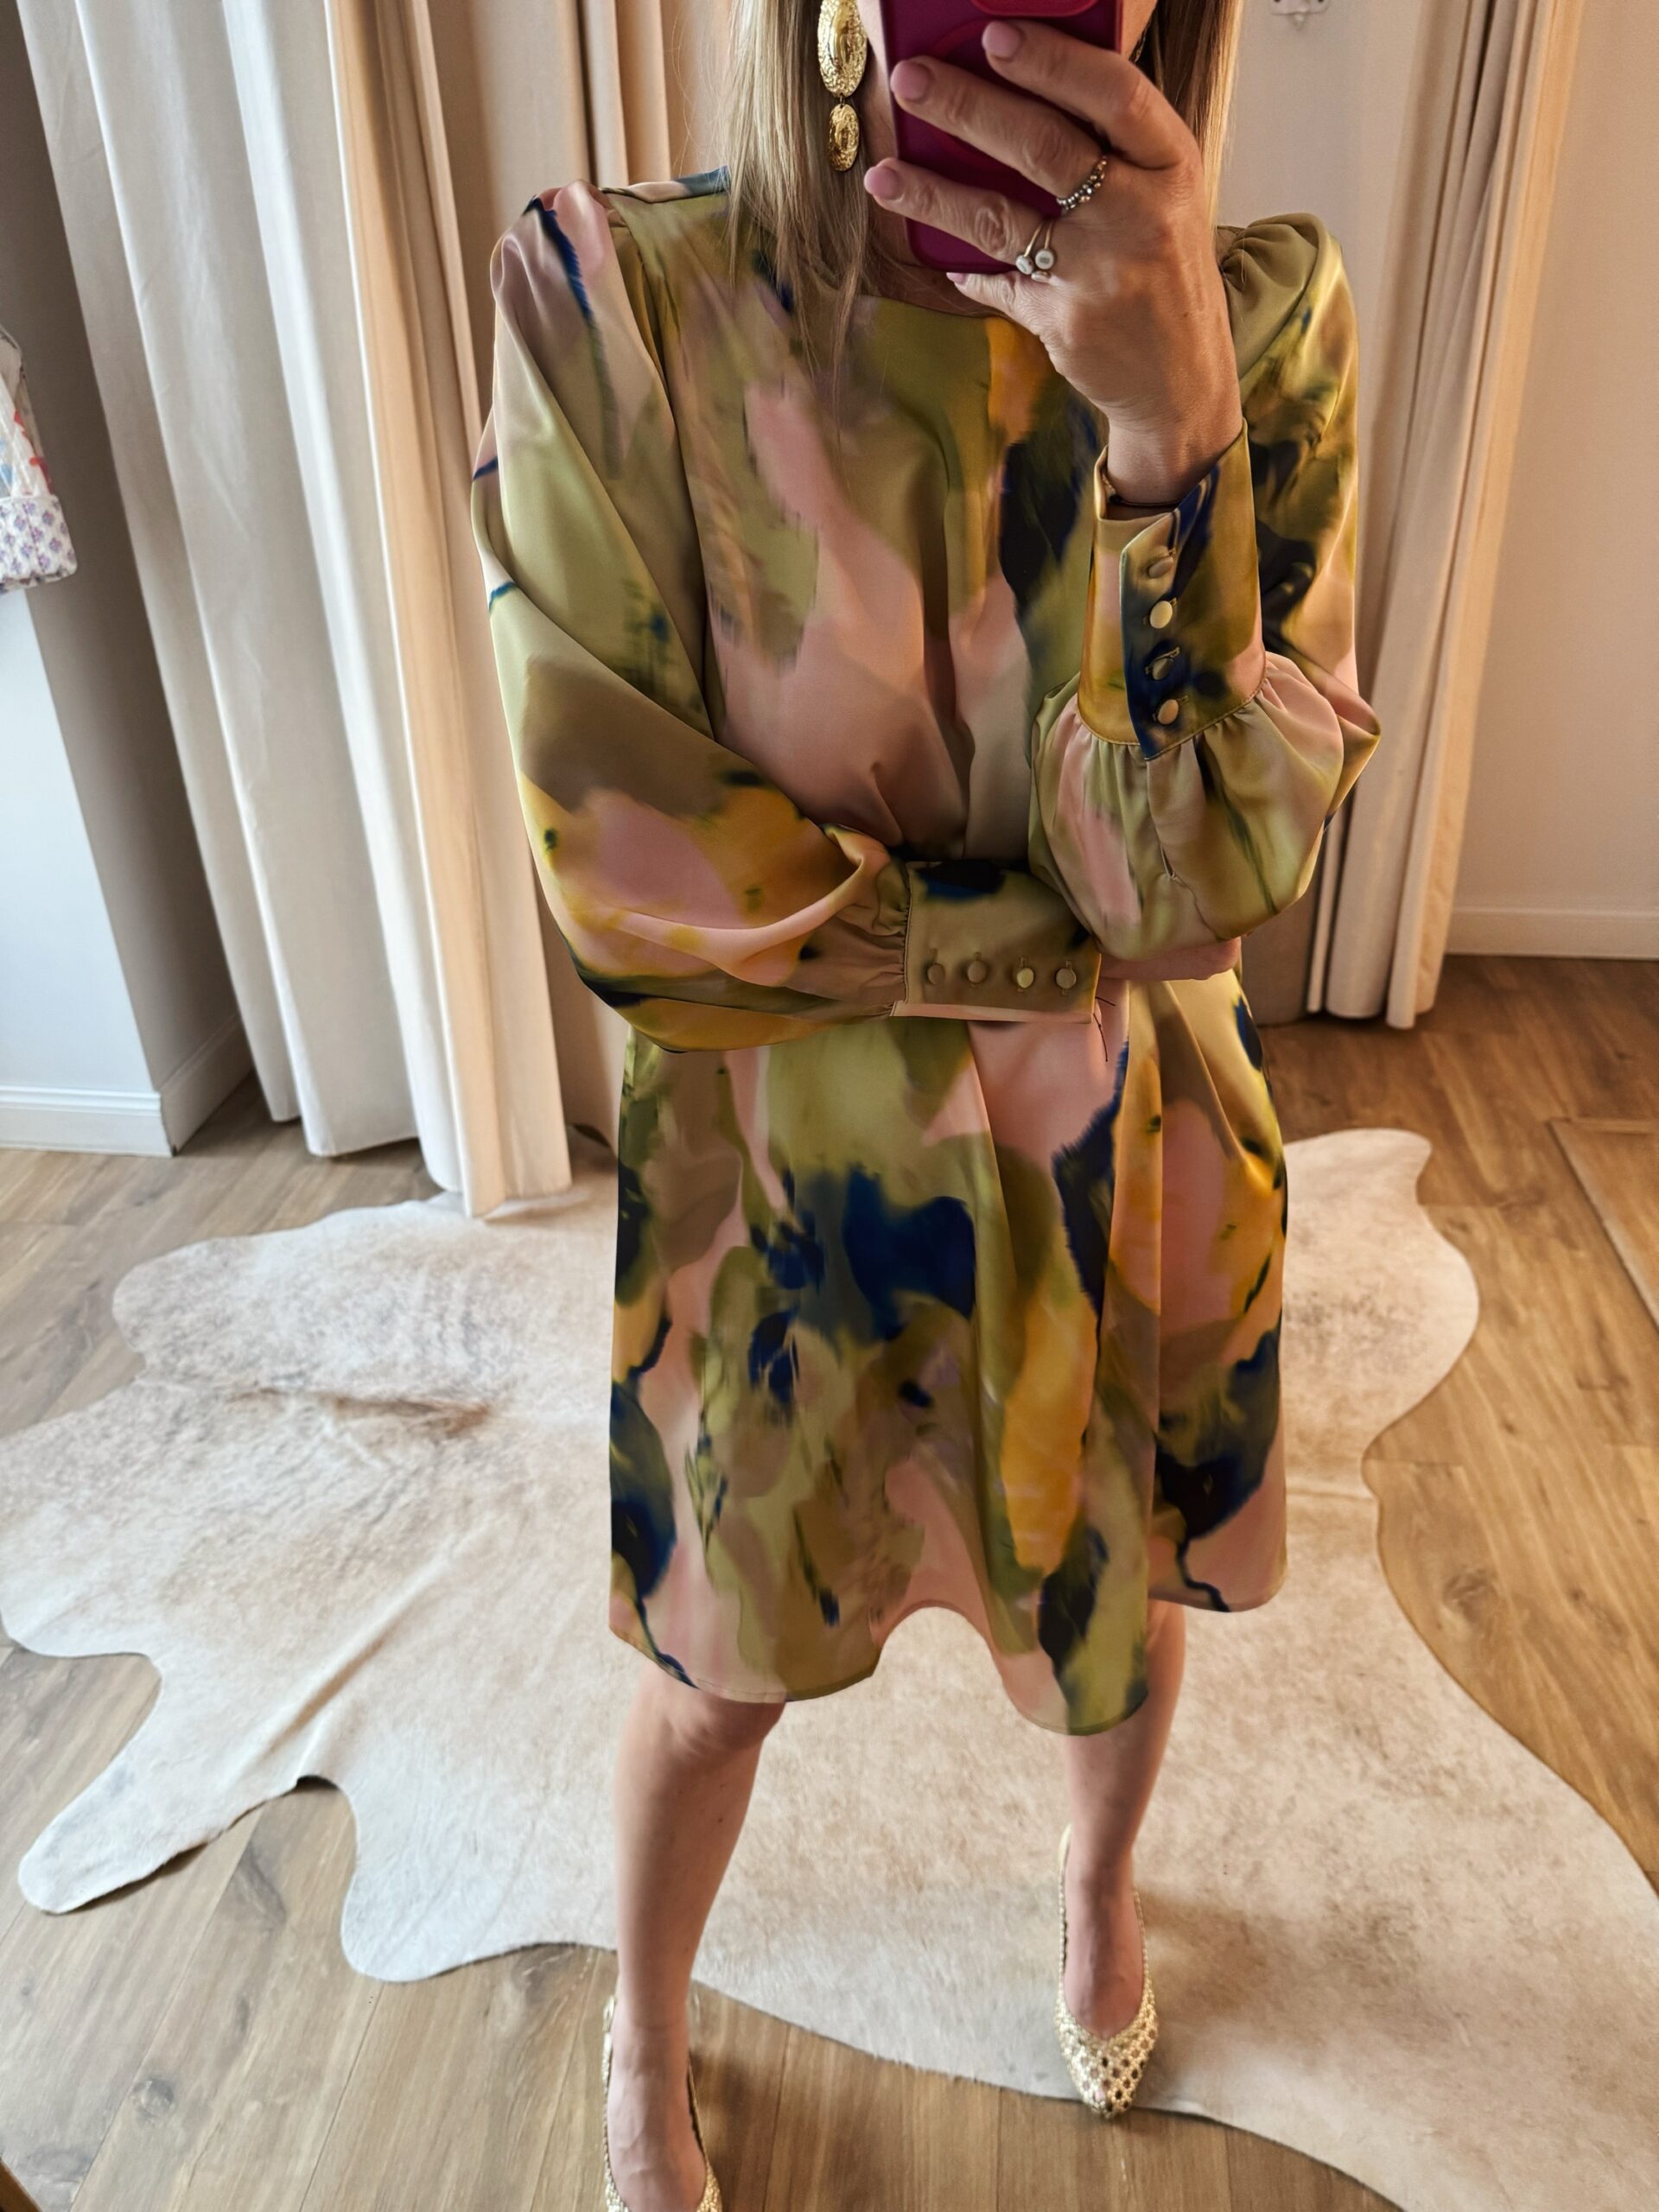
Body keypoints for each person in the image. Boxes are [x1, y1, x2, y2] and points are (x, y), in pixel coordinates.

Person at [471, 0, 1381, 2202]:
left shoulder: (1260, 323)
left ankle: (1095, 1882)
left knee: (1120, 1620)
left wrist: (1170, 439)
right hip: (785, 1192)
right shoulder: (615, 304)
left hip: (1125, 1159)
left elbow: (1203, 888)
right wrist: (1048, 942)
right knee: (717, 1674)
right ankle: (648, 2025)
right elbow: (641, 878)